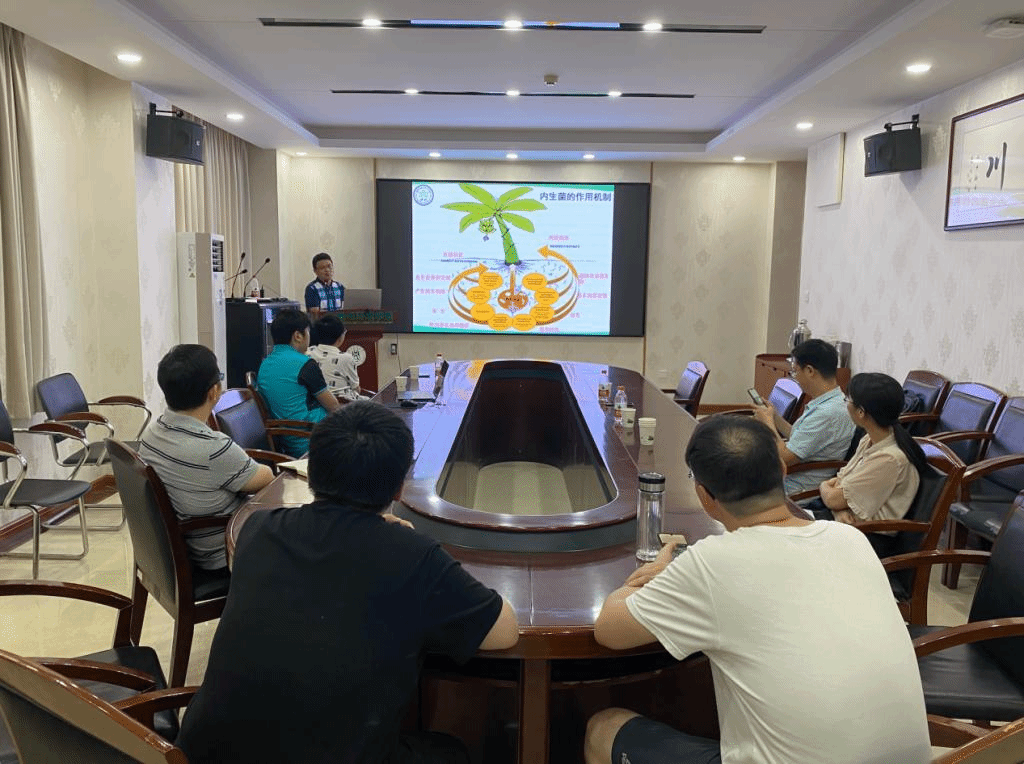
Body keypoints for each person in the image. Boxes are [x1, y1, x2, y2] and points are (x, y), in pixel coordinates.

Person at [176, 401, 519, 763]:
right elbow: (505, 630)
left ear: (312, 472)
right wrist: (404, 543)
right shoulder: (412, 556)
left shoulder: (257, 530)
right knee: (452, 751)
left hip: (200, 755)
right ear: (399, 489)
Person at [584, 415, 930, 764]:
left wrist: (653, 575)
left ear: (704, 497)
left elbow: (609, 629)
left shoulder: (712, 563)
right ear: (782, 471)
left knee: (603, 729)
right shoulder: (850, 539)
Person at [139, 344, 274, 571]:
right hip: (227, 551)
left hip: (187, 547)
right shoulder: (213, 448)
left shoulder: (151, 434)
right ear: (214, 392)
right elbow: (266, 478)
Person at [814, 372, 929, 524]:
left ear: (861, 412)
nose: (845, 403)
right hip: (842, 521)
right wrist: (838, 509)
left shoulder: (889, 458)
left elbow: (833, 499)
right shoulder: (869, 439)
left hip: (866, 533)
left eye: (848, 399)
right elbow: (841, 481)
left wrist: (825, 488)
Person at [752, 338, 855, 495]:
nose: (795, 377)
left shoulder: (827, 413)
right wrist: (774, 416)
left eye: (795, 371)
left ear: (810, 371)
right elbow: (798, 437)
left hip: (794, 489)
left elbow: (784, 458)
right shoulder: (829, 401)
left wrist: (767, 422)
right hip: (785, 478)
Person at [256, 308, 340, 456]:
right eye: (308, 332)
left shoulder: (265, 364)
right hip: (313, 440)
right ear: (298, 336)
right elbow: (333, 406)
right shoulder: (304, 364)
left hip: (288, 441)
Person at [307, 312, 366, 401]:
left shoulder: (308, 352)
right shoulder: (346, 358)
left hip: (314, 402)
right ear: (340, 337)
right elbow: (356, 388)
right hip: (344, 404)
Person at [304, 251, 344, 317]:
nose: (327, 270)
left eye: (329, 266)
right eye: (322, 268)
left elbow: (346, 308)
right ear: (315, 271)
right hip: (322, 323)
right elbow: (315, 313)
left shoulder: (339, 287)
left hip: (340, 321)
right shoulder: (312, 288)